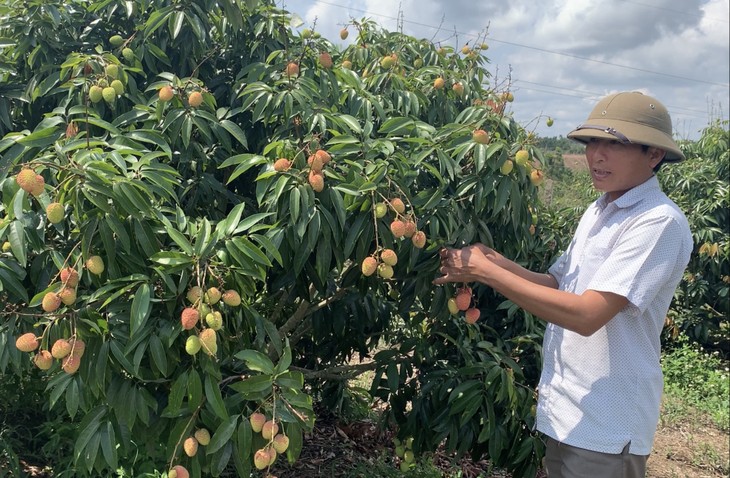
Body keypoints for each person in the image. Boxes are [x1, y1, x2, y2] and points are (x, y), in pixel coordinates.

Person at [434, 91, 693, 478]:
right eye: (592, 142)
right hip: (567, 410)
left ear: (653, 155)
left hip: (607, 421)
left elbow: (588, 314)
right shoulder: (600, 209)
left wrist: (488, 274)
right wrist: (496, 261)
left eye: (614, 144)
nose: (596, 155)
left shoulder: (658, 222)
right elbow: (559, 282)